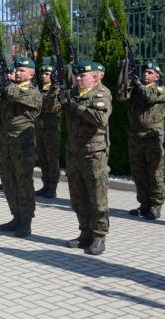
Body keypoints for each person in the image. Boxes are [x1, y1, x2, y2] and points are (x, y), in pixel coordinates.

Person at [64, 61, 112, 256]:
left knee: (97, 197)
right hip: (74, 151)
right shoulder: (75, 93)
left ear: (95, 77)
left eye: (83, 76)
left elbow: (101, 119)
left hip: (94, 153)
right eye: (77, 76)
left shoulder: (102, 94)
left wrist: (78, 109)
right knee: (78, 197)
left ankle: (99, 237)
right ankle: (85, 233)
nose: (79, 79)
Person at [0, 57, 41, 238]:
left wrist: (8, 83)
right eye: (17, 70)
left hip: (22, 143)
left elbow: (14, 95)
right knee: (8, 182)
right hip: (6, 141)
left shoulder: (32, 92)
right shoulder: (11, 88)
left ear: (31, 74)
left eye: (22, 70)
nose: (18, 72)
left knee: (23, 183)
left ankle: (26, 221)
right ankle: (16, 216)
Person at [117, 61, 165, 220]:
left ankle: (155, 205)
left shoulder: (161, 90)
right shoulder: (137, 89)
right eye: (144, 72)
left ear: (157, 76)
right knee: (138, 172)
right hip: (135, 136)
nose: (146, 74)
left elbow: (150, 98)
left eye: (150, 72)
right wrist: (126, 78)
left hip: (152, 136)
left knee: (155, 172)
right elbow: (121, 97)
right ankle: (144, 204)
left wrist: (138, 84)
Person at [35, 65, 62, 199]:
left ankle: (53, 187)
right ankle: (45, 185)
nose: (44, 76)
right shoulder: (40, 89)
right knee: (42, 158)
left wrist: (54, 88)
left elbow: (52, 107)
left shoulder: (56, 90)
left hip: (50, 129)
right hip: (39, 129)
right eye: (43, 74)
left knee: (51, 160)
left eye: (47, 74)